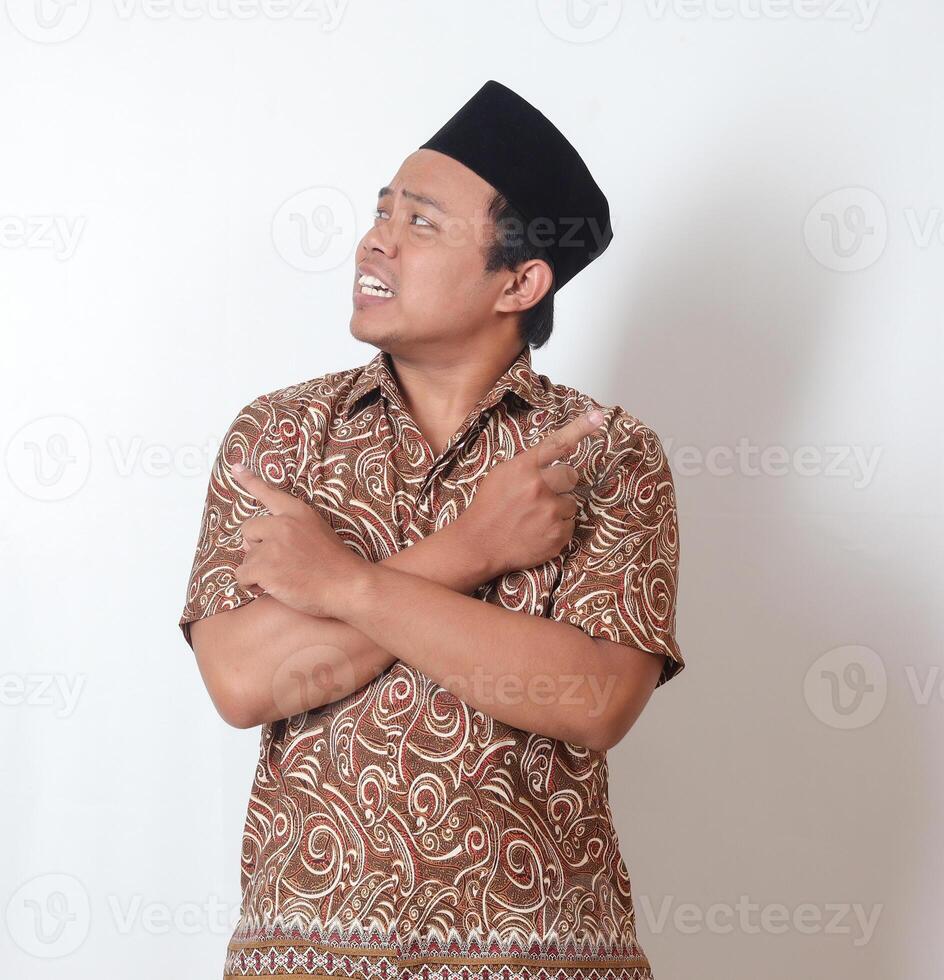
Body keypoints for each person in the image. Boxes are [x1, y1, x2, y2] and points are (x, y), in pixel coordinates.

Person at [178, 79, 685, 980]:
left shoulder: (608, 455)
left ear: (520, 280)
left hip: (542, 959)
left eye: (420, 223)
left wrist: (342, 586)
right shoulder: (281, 437)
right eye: (381, 214)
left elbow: (594, 701)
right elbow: (245, 678)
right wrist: (475, 548)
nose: (376, 241)